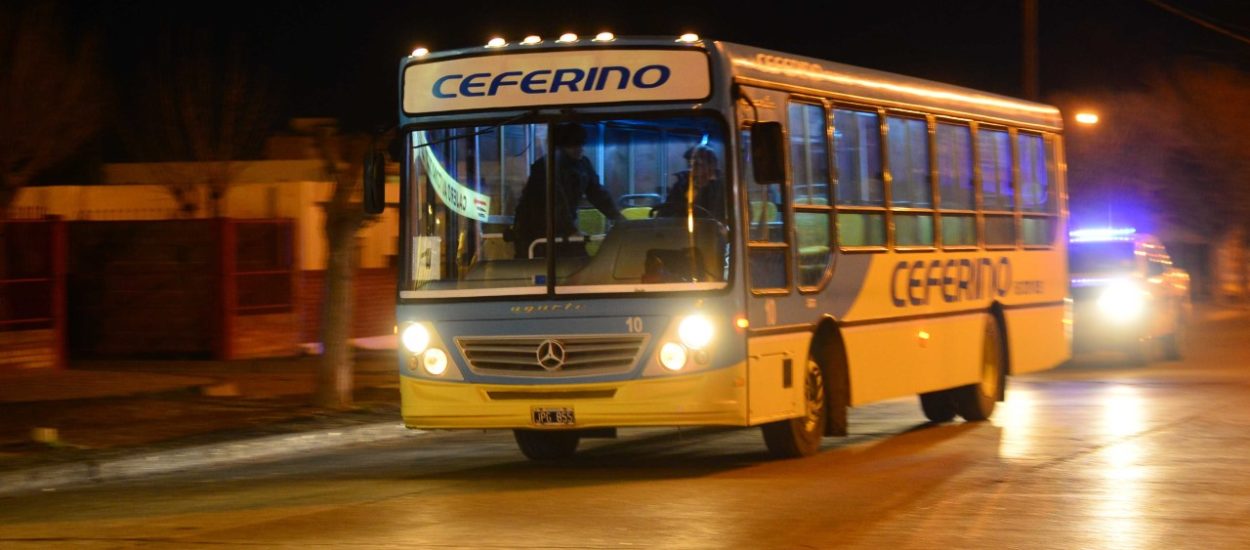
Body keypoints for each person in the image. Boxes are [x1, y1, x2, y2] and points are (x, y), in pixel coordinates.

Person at [510, 123, 623, 258]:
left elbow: (598, 194)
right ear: (560, 146)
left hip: (562, 229)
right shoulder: (547, 167)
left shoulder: (582, 165)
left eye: (581, 144)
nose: (580, 149)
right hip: (539, 232)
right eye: (573, 145)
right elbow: (555, 201)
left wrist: (619, 219)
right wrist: (570, 230)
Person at [655, 145, 725, 220]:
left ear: (712, 165)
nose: (692, 168)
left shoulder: (723, 188)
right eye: (690, 164)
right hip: (680, 228)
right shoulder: (681, 186)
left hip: (710, 229)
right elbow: (665, 212)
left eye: (697, 164)